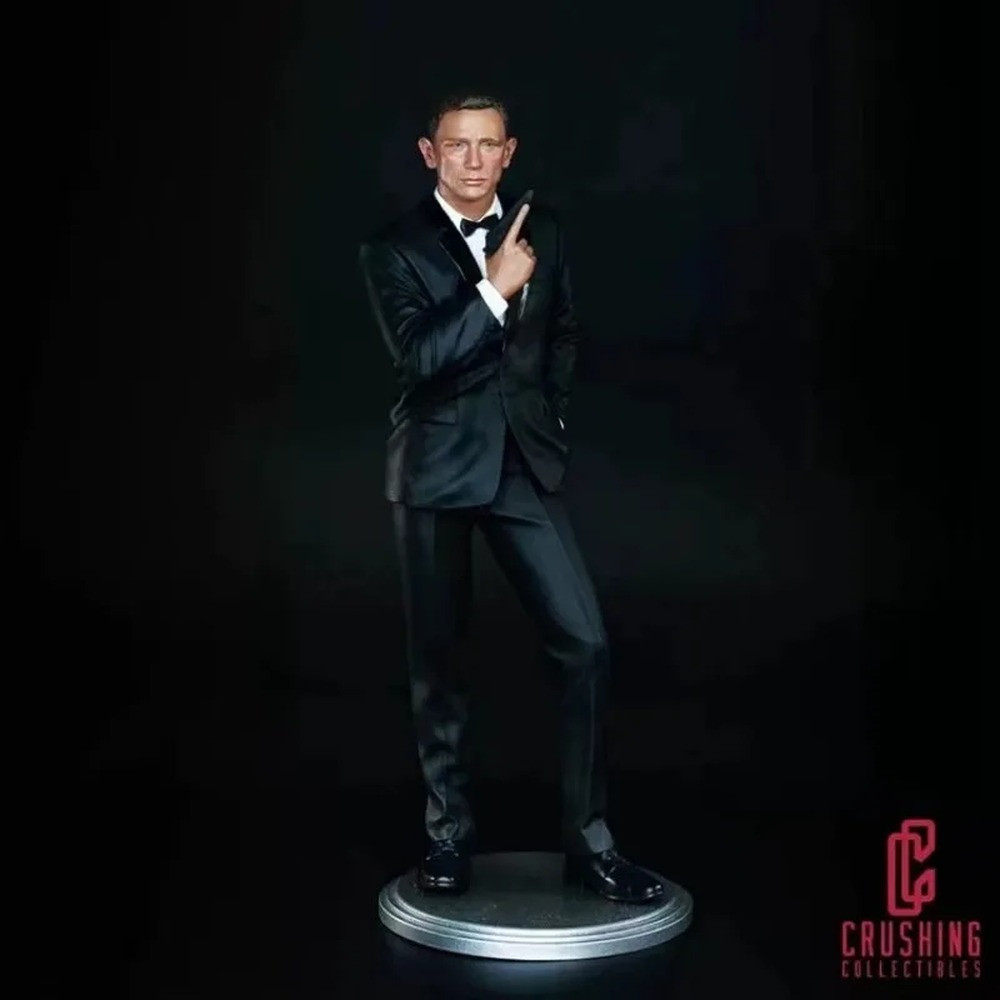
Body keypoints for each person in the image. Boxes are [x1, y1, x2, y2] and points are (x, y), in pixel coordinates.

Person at [358, 94, 663, 904]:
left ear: (509, 152)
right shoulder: (390, 249)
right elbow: (419, 359)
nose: (472, 160)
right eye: (456, 145)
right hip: (432, 470)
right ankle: (448, 837)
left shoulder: (544, 230)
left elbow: (561, 331)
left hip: (521, 465)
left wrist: (549, 414)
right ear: (429, 153)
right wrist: (492, 290)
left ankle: (591, 845)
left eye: (487, 145)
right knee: (439, 661)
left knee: (586, 644)